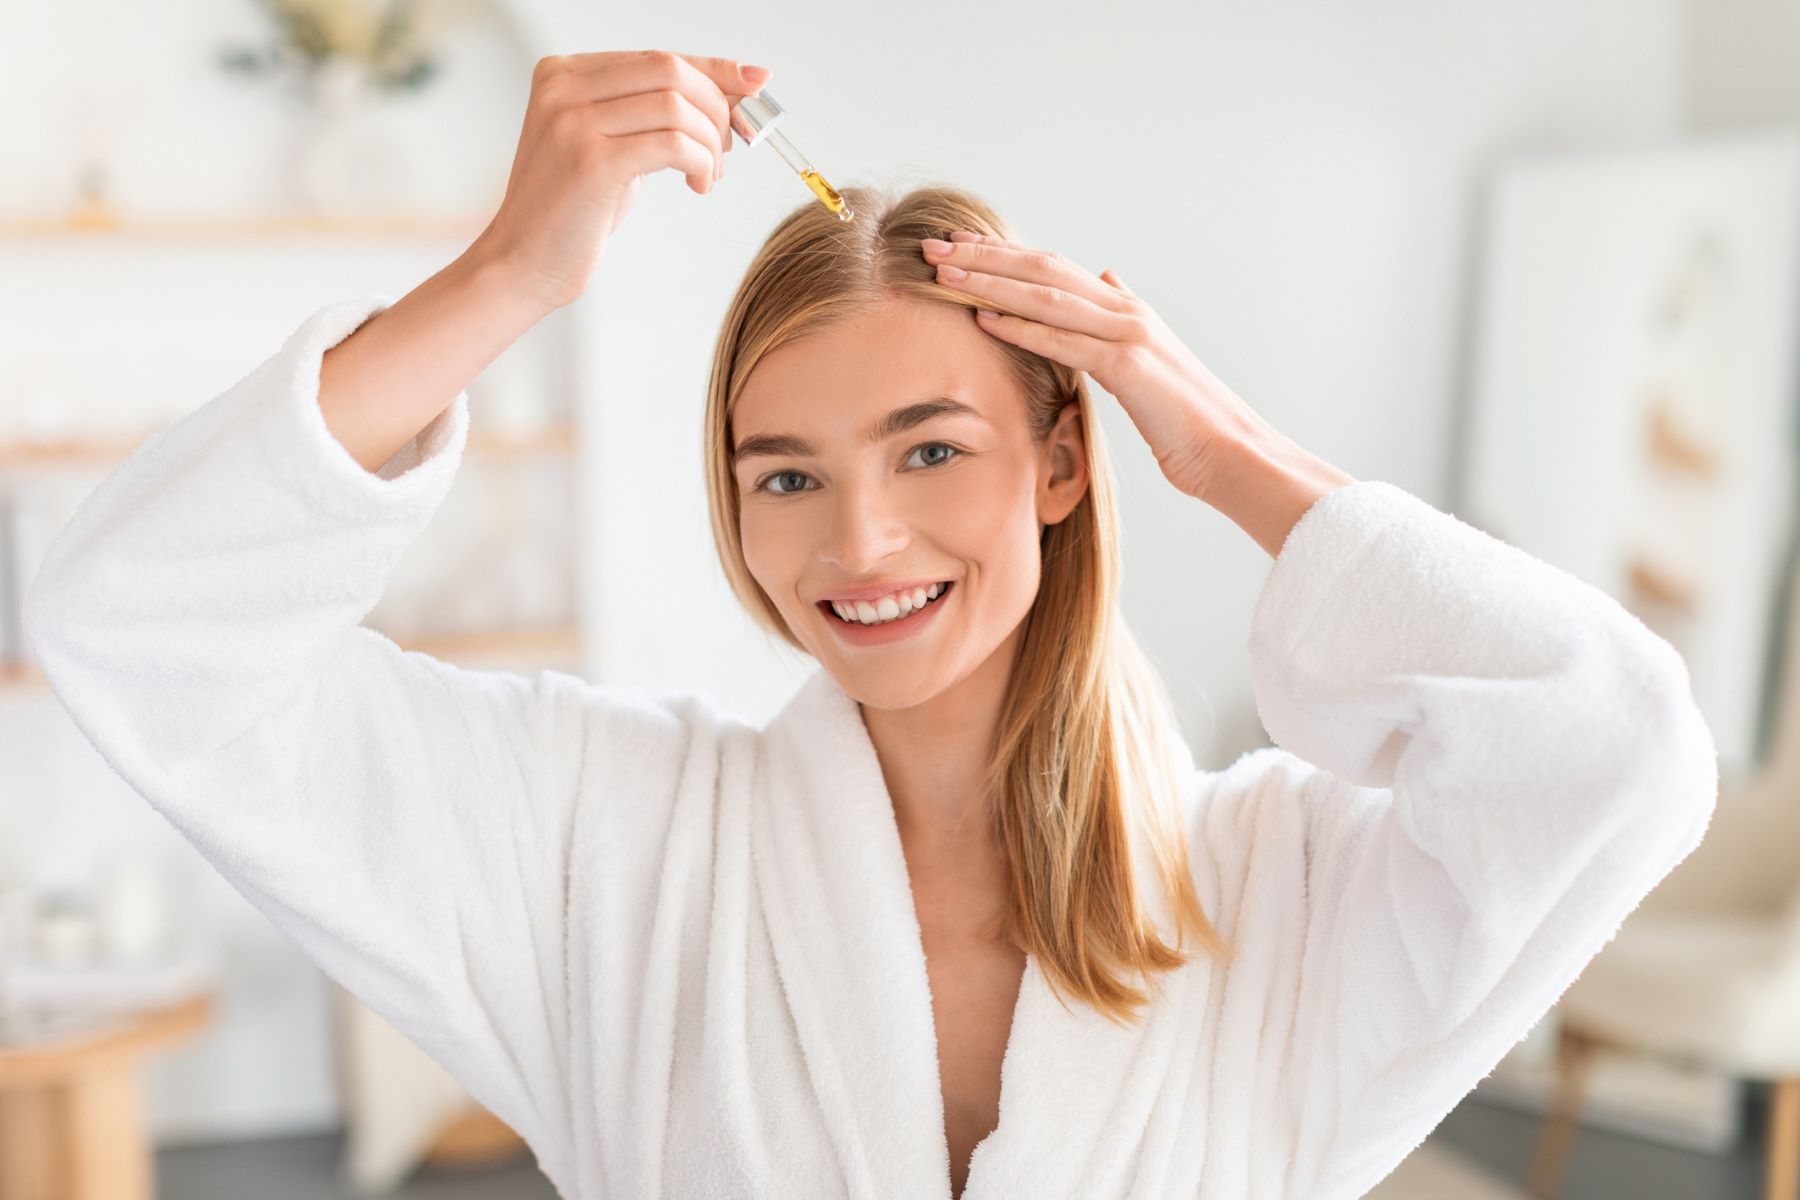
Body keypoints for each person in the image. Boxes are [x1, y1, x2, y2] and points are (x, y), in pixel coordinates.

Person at [24, 48, 1720, 1200]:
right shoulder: (604, 847)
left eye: (932, 448)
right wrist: (505, 279)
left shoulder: (1268, 893)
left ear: (1064, 462)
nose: (861, 538)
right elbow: (139, 627)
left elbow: (1616, 755)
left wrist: (1219, 448)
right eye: (785, 477)